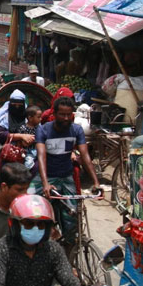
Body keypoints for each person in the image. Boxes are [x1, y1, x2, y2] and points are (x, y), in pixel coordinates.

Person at [0, 194, 91, 286]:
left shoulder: (53, 250)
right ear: (13, 223)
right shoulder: (1, 250)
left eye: (41, 224)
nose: (35, 228)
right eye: (28, 223)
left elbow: (70, 282)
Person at [32, 96, 101, 240]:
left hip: (66, 177)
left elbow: (85, 156)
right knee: (33, 211)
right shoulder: (43, 130)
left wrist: (96, 183)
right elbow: (41, 157)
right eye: (62, 114)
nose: (65, 118)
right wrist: (45, 183)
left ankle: (69, 251)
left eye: (68, 114)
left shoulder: (76, 130)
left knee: (72, 216)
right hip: (46, 176)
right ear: (54, 114)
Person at [18, 105, 42, 174]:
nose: (41, 119)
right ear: (30, 118)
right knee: (28, 165)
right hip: (29, 152)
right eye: (38, 117)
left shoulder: (40, 127)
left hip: (39, 149)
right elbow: (23, 143)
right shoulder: (23, 128)